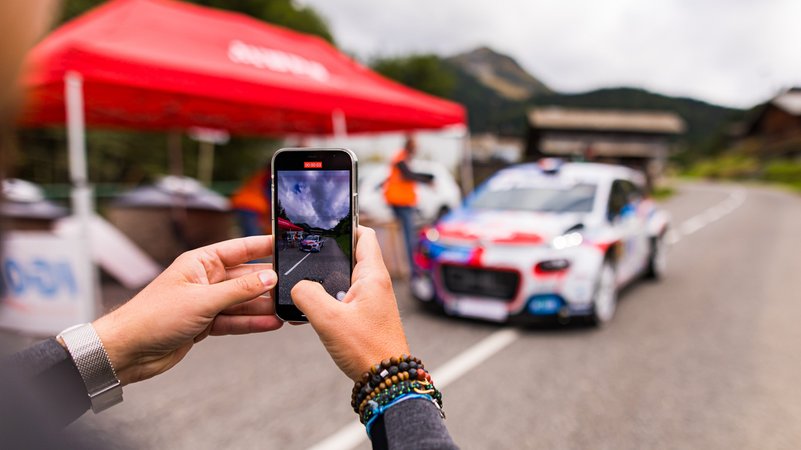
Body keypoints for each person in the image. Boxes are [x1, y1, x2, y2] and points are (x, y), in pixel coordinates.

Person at [0, 2, 456, 449]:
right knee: (278, 242)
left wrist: (109, 347)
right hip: (258, 214)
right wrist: (392, 379)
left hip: (253, 218)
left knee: (277, 240)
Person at [383, 135, 434, 275]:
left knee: (411, 234)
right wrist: (428, 178)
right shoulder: (400, 157)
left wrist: (428, 177)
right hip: (400, 202)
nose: (417, 148)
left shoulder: (403, 157)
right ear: (409, 145)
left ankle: (415, 267)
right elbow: (408, 175)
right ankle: (414, 270)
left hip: (403, 201)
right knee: (409, 236)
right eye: (415, 145)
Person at [230, 162, 272, 236]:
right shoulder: (269, 177)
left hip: (242, 203)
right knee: (253, 235)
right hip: (251, 206)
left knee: (249, 234)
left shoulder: (262, 174)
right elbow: (270, 197)